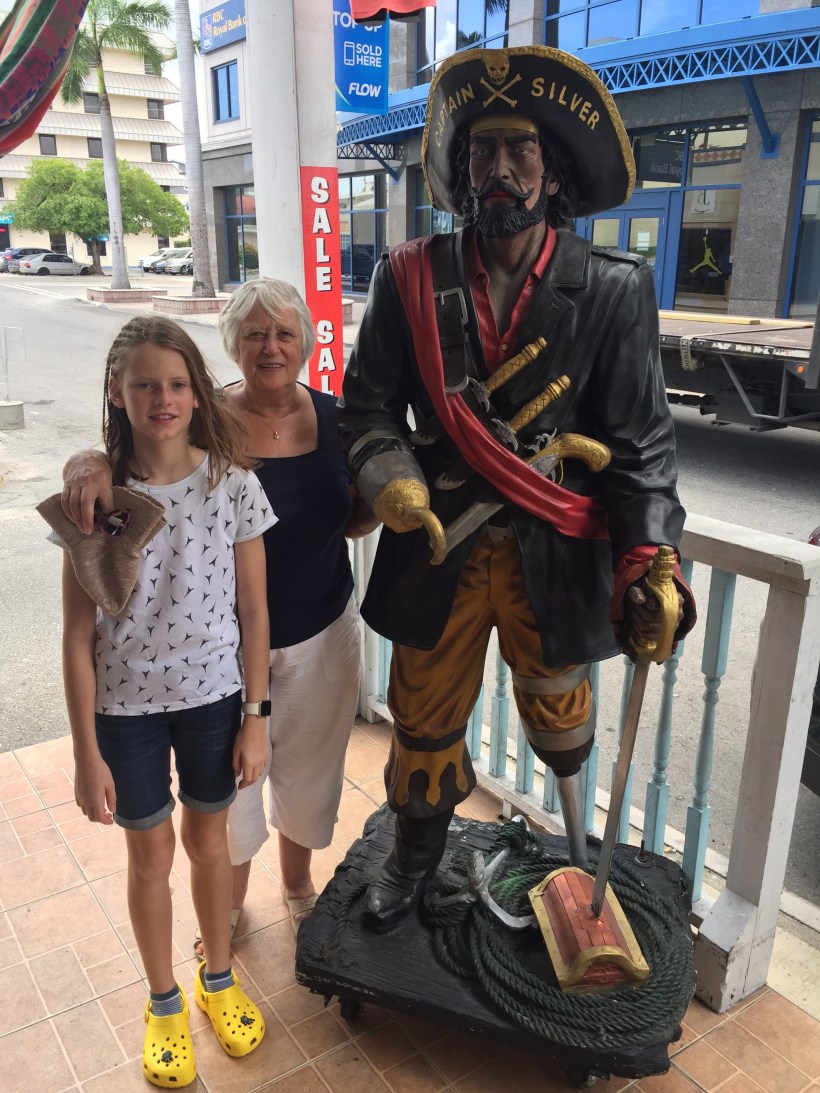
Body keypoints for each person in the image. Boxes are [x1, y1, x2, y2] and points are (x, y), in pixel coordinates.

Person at [337, 45, 697, 933]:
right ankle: (413, 857)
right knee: (422, 716)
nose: (501, 168)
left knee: (560, 717)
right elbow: (368, 407)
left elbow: (643, 445)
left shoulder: (612, 288)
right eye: (483, 151)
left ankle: (577, 859)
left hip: (555, 553)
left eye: (521, 150)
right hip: (440, 545)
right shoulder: (407, 275)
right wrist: (392, 480)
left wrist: (650, 561)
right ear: (462, 171)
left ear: (553, 171)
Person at [61, 280, 375, 944]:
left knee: (309, 769)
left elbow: (359, 512)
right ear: (233, 344)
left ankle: (297, 883)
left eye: (284, 333)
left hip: (322, 625)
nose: (271, 347)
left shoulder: (339, 420)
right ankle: (226, 902)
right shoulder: (207, 417)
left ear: (306, 342)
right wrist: (88, 460)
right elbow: (141, 444)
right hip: (222, 644)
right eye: (255, 334)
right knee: (229, 782)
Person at [59, 315, 273, 1087]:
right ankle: (163, 1001)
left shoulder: (233, 485)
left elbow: (256, 610)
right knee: (149, 855)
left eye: (178, 383)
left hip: (215, 700)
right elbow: (76, 636)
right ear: (117, 392)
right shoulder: (93, 500)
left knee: (209, 843)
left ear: (198, 392)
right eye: (145, 383)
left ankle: (218, 978)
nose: (164, 398)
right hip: (124, 712)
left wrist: (257, 718)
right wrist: (86, 753)